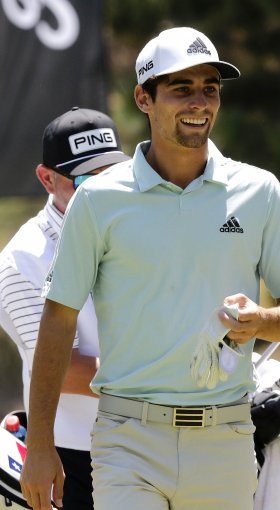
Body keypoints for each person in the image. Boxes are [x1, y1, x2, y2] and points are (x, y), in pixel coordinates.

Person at [20, 27, 280, 510]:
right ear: (144, 98)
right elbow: (58, 320)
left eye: (210, 89)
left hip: (226, 439)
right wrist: (40, 446)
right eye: (182, 88)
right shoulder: (97, 200)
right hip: (128, 439)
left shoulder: (259, 191)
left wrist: (261, 322)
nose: (200, 102)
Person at [0, 106, 131, 510]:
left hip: (152, 444)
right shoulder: (21, 261)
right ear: (47, 178)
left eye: (115, 177)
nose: (105, 192)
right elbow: (67, 370)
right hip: (78, 459)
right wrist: (169, 378)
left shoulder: (136, 230)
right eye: (88, 180)